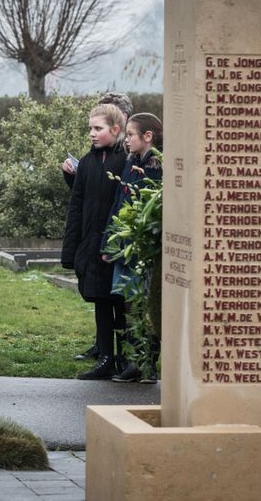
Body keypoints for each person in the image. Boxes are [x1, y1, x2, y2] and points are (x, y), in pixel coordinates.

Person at [64, 92, 133, 362]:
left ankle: (126, 359)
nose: (92, 134)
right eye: (90, 128)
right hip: (91, 245)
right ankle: (105, 357)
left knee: (119, 303)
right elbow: (77, 207)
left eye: (98, 128)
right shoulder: (88, 162)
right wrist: (72, 251)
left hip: (115, 246)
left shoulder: (126, 161)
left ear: (116, 130)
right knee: (101, 302)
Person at [104, 112, 163, 384]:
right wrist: (110, 242)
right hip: (125, 247)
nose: (126, 140)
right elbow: (119, 205)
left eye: (131, 135)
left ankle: (147, 363)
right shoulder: (131, 164)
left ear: (147, 136)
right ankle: (134, 361)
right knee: (129, 305)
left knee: (145, 308)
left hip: (144, 250)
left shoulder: (156, 167)